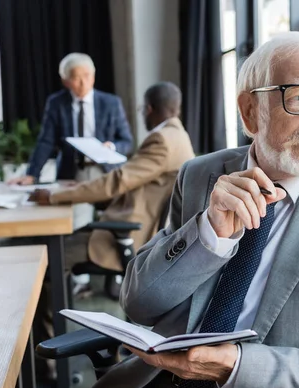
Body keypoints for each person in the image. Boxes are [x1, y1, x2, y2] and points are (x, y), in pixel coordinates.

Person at [84, 32, 299, 388]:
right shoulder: (200, 174)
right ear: (250, 112)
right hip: (161, 384)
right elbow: (139, 302)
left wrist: (236, 368)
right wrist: (209, 234)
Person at [29, 80, 194, 294]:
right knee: (58, 244)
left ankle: (52, 328)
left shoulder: (161, 140)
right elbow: (130, 182)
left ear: (149, 108)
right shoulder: (179, 135)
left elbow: (116, 181)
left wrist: (54, 195)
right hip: (133, 227)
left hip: (127, 235)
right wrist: (80, 188)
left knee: (49, 260)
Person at [9, 53, 133, 185]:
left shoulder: (111, 103)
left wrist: (112, 147)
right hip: (72, 172)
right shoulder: (56, 103)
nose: (83, 82)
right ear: (65, 81)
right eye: (76, 77)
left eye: (87, 76)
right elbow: (46, 142)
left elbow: (127, 141)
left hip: (106, 171)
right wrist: (32, 174)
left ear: (94, 76)